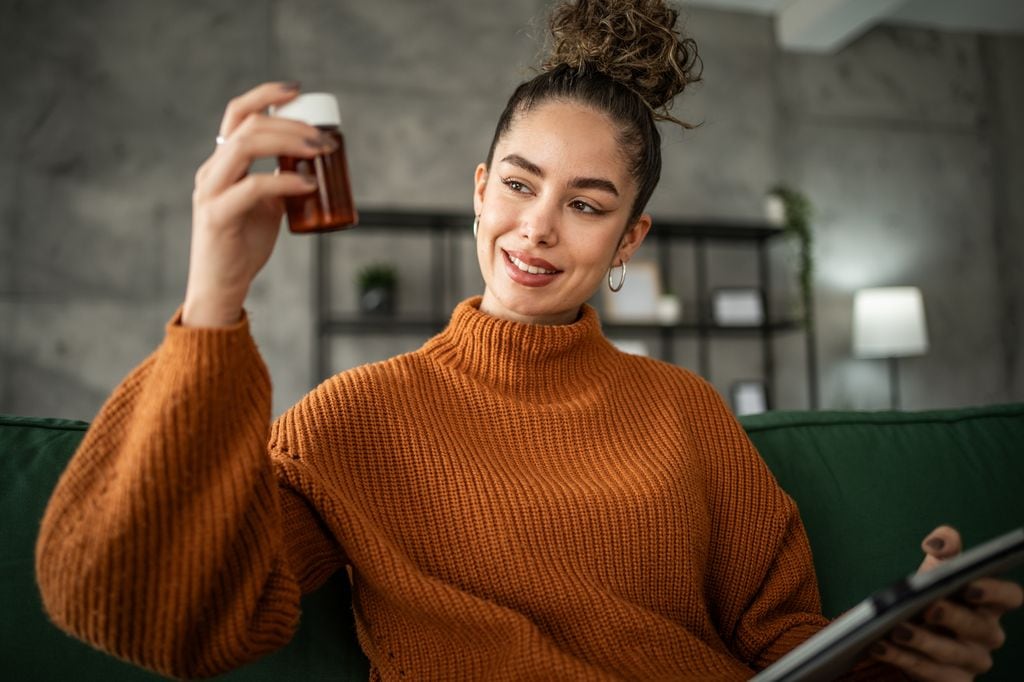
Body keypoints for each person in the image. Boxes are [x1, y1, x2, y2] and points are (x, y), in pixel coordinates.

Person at [35, 1, 1021, 680]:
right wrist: (216, 291)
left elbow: (789, 646)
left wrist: (903, 647)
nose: (537, 227)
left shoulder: (685, 413)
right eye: (517, 183)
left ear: (629, 236)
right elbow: (150, 616)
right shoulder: (358, 418)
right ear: (477, 189)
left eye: (585, 204)